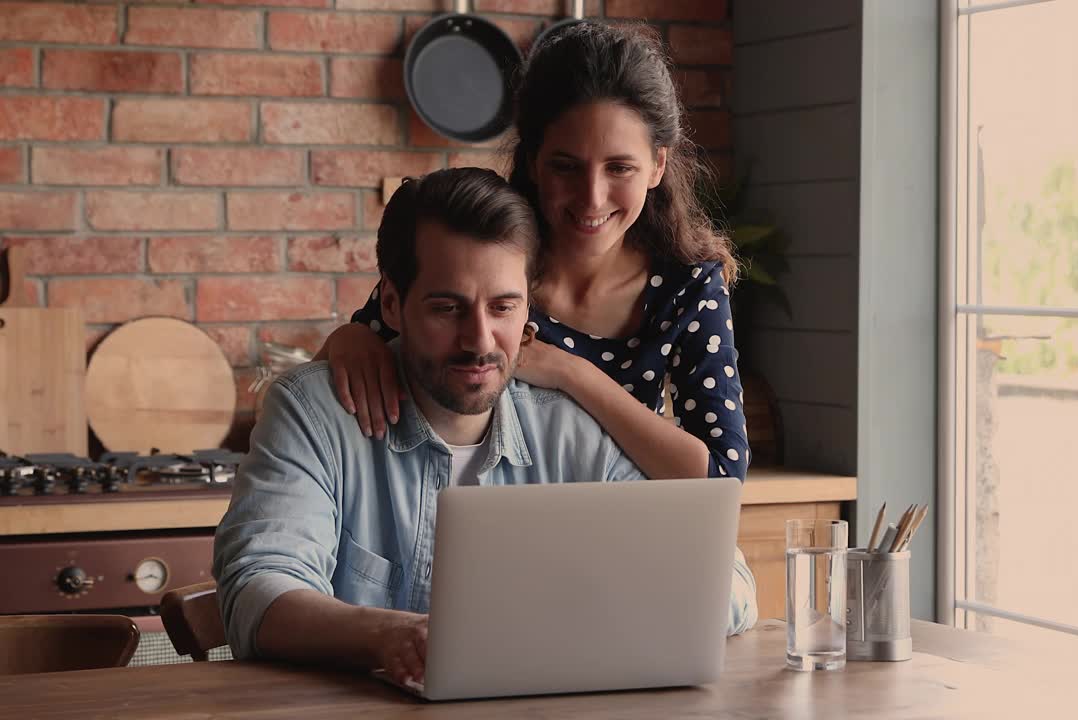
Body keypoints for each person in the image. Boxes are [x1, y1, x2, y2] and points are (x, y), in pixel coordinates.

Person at [214, 169, 758, 689]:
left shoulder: (570, 431)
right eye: (448, 308)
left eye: (503, 307)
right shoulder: (310, 415)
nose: (479, 340)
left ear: (529, 310)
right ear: (391, 304)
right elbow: (258, 591)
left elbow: (730, 586)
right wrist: (389, 635)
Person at [317, 22, 749, 485]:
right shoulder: (490, 254)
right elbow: (344, 359)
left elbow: (721, 476)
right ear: (532, 162)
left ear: (657, 165)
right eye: (566, 166)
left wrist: (571, 374)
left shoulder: (688, 286)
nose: (592, 197)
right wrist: (349, 340)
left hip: (613, 533)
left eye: (619, 167)